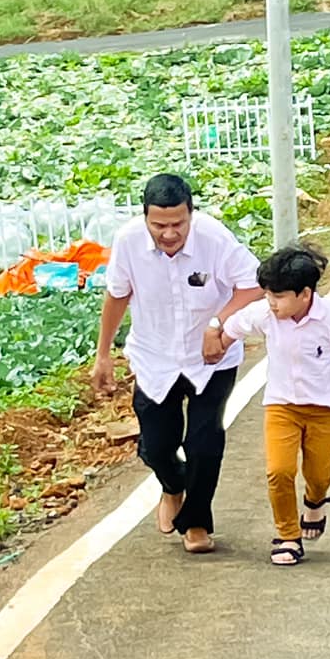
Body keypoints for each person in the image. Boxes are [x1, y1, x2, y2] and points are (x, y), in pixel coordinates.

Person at [94, 173, 263, 555]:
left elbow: (252, 285)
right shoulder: (128, 242)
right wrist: (103, 354)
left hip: (211, 359)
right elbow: (117, 295)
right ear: (145, 219)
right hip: (154, 358)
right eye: (159, 225)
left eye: (178, 224)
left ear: (191, 214)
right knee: (156, 446)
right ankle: (173, 487)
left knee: (204, 442)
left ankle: (197, 521)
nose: (169, 234)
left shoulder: (214, 238)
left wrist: (219, 325)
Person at [203, 244, 330, 568]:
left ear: (305, 294)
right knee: (279, 471)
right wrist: (217, 340)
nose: (271, 303)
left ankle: (315, 501)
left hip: (324, 408)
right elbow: (236, 324)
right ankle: (288, 535)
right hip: (282, 405)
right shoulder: (266, 314)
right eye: (268, 295)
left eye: (279, 297)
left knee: (319, 475)